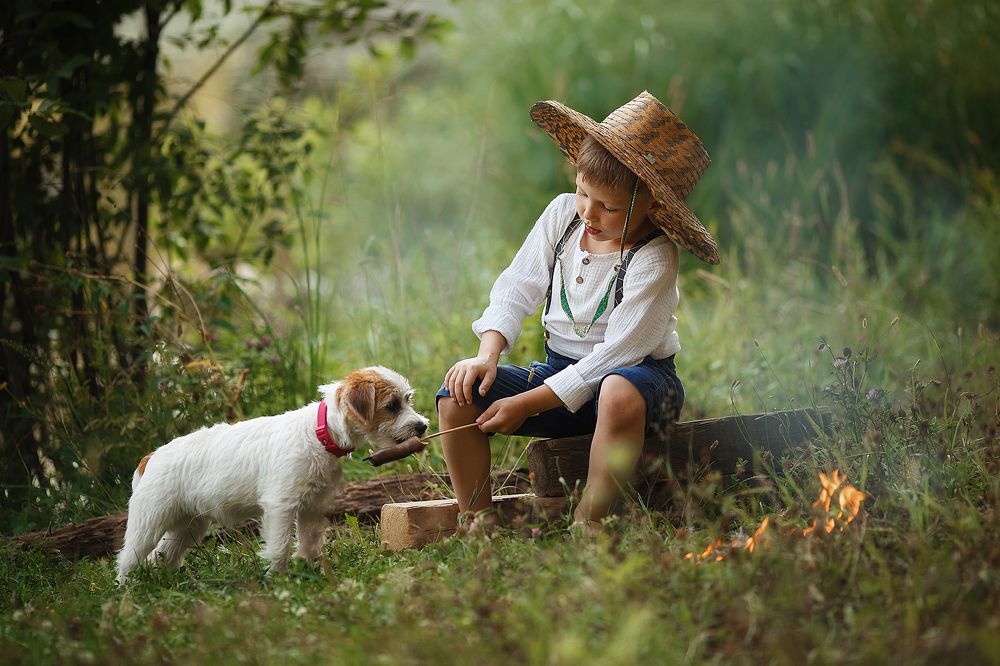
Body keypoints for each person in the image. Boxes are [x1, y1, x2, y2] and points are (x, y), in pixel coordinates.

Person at [437, 90, 719, 533]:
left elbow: (618, 355)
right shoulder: (563, 216)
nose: (588, 211)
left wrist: (527, 405)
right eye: (582, 192)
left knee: (617, 390)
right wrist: (486, 354)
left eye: (607, 206)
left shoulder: (654, 255)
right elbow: (517, 286)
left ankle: (590, 523)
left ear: (652, 205)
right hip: (558, 375)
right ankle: (478, 519)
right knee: (458, 393)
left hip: (640, 386)